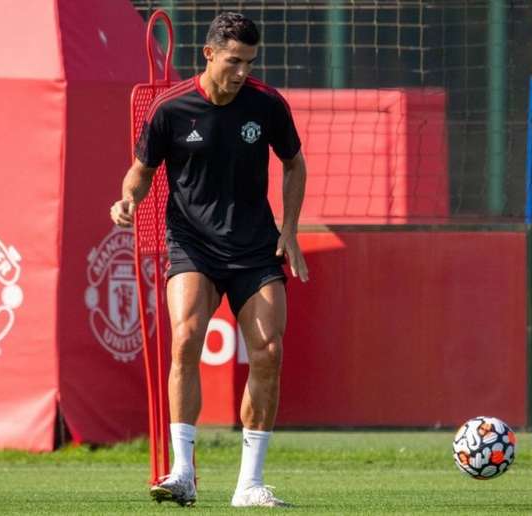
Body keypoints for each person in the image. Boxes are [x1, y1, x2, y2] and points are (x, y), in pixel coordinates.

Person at [110, 12, 308, 508]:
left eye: (249, 61)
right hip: (192, 243)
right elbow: (140, 172)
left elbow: (294, 163)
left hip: (255, 246)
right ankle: (182, 473)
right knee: (185, 339)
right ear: (210, 54)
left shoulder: (267, 105)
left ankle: (250, 485)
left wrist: (289, 228)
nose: (241, 71)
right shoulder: (170, 108)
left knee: (268, 352)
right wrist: (128, 200)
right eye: (233, 60)